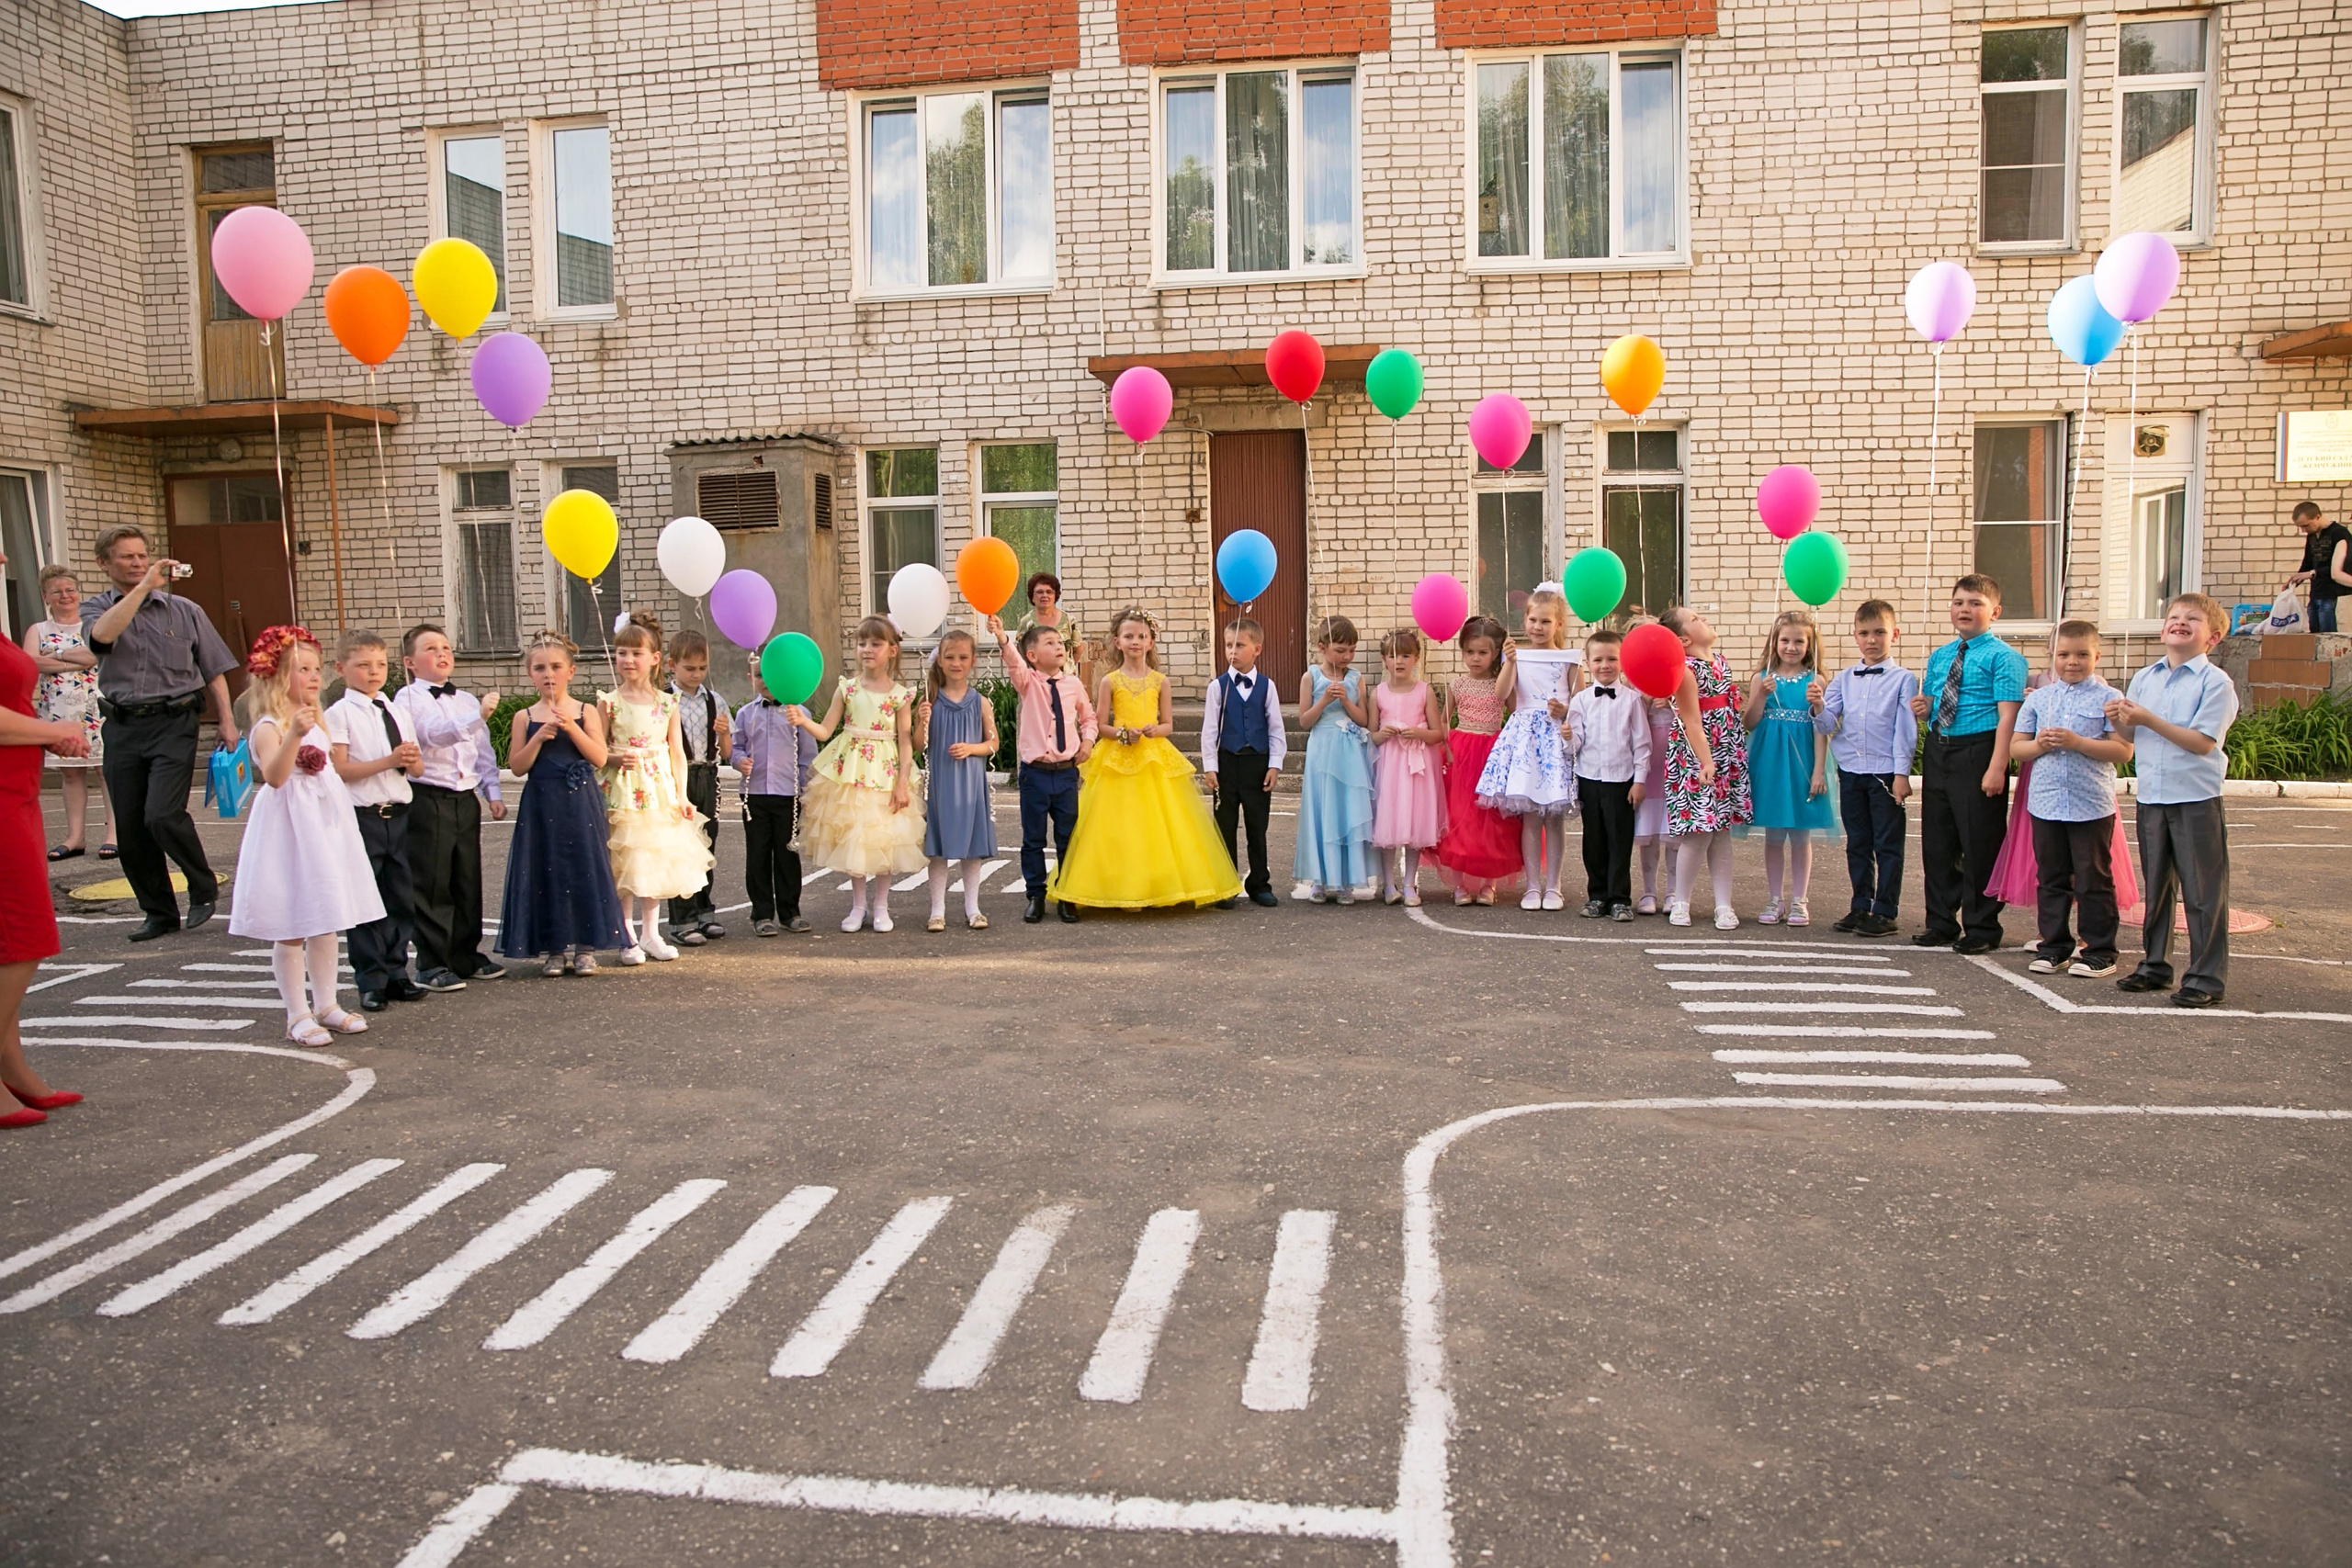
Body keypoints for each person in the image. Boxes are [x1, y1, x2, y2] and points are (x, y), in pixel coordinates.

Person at [78, 525, 241, 942]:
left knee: (162, 815)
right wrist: (141, 591)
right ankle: (159, 912)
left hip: (175, 723)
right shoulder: (97, 608)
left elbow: (214, 669)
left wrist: (227, 721)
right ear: (104, 563)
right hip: (123, 725)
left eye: (142, 555)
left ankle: (201, 882)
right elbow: (102, 637)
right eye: (126, 557)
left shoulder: (185, 609)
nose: (137, 563)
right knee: (131, 829)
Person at [225, 626, 385, 1046]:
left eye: (316, 669)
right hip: (290, 830)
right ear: (276, 676)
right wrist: (293, 734)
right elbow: (276, 778)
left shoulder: (320, 721)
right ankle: (298, 1012)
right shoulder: (268, 726)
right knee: (293, 922)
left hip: (324, 826)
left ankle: (328, 1003)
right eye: (302, 670)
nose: (314, 678)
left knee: (326, 919)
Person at [1049, 606, 1241, 910]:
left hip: (1152, 756)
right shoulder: (1109, 680)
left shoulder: (1160, 681)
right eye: (1129, 636)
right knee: (1119, 824)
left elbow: (1168, 724)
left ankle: (1158, 883)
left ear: (1151, 642)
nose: (1135, 641)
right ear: (1117, 641)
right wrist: (1123, 734)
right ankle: (1119, 886)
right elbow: (1099, 725)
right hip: (1118, 758)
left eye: (1141, 636)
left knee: (1159, 825)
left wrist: (1155, 730)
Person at [2108, 592, 2240, 1008]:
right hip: (2153, 796)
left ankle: (2205, 975)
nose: (2180, 622)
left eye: (2193, 619)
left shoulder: (2215, 683)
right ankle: (2155, 964)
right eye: (2174, 617)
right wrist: (2120, 721)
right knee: (2158, 887)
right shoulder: (2146, 677)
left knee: (2203, 892)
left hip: (2195, 797)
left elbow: (2201, 742)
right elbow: (2131, 738)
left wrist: (2147, 719)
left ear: (2212, 637)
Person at [0, 541, 91, 1128]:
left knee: (17, 936)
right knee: (24, 932)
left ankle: (10, 1061)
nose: (4, 562)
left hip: (19, 793)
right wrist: (46, 728)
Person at [2005, 621, 2132, 979]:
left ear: (2097, 656)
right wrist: (2039, 745)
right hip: (2045, 803)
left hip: (2090, 804)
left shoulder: (2110, 699)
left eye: (2081, 655)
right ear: (2052, 657)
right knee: (2051, 876)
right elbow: (2018, 747)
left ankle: (2100, 950)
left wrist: (2079, 743)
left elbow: (2122, 750)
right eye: (2063, 655)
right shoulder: (2040, 699)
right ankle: (2054, 946)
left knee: (2094, 878)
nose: (2071, 662)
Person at [1909, 574, 2028, 953]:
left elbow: (2008, 716)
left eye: (1975, 603)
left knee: (1979, 841)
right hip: (1941, 748)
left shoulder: (2004, 657)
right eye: (1959, 602)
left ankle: (1981, 925)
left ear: (1994, 612)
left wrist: (1998, 765)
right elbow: (1934, 705)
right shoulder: (1941, 655)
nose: (1965, 610)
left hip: (1979, 749)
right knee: (1938, 840)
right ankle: (1940, 921)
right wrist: (1924, 708)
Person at [499, 629, 627, 976]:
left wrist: (573, 728)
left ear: (570, 671)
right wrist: (539, 737)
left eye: (556, 667)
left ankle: (586, 947)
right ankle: (554, 948)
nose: (548, 674)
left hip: (580, 802)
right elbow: (517, 766)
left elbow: (600, 757)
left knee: (584, 867)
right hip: (542, 804)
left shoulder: (585, 711)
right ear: (530, 675)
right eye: (540, 668)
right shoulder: (524, 717)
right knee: (547, 870)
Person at [794, 615, 926, 932]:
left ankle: (881, 906)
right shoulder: (848, 689)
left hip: (885, 771)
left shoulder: (900, 695)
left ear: (892, 650)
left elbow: (906, 742)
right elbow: (825, 730)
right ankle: (858, 906)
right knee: (855, 836)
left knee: (884, 837)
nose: (867, 649)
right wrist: (801, 720)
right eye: (862, 643)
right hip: (851, 771)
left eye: (876, 644)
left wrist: (902, 783)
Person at [393, 624, 506, 989]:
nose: (442, 653)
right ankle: (431, 962)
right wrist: (478, 717)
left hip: (464, 798)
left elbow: (482, 751)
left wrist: (493, 793)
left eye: (445, 646)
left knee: (466, 878)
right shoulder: (408, 699)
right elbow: (434, 734)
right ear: (410, 662)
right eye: (430, 648)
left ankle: (465, 954)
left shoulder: (466, 700)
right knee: (431, 881)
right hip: (429, 796)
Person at [600, 616, 715, 963]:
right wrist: (613, 759)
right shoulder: (609, 702)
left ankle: (651, 933)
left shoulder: (667, 703)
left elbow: (677, 753)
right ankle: (626, 935)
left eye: (636, 653)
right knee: (626, 861)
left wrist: (681, 795)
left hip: (658, 789)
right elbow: (596, 748)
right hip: (623, 790)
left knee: (652, 859)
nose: (628, 660)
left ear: (653, 659)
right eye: (622, 653)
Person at [323, 630, 426, 1010]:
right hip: (363, 816)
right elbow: (342, 769)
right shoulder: (339, 714)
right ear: (341, 669)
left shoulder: (396, 710)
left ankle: (398, 971)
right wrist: (390, 760)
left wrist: (411, 759)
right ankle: (371, 979)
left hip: (398, 813)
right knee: (365, 899)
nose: (374, 672)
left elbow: (416, 766)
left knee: (400, 897)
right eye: (363, 665)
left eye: (380, 665)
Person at [1812, 600, 1919, 937]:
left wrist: (1901, 774)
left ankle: (1885, 910)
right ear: (1855, 637)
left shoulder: (1903, 679)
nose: (1872, 640)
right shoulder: (1844, 679)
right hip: (1852, 769)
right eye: (1865, 633)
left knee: (1887, 843)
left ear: (1895, 635)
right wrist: (1817, 705)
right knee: (1857, 841)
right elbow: (1828, 723)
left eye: (1880, 633)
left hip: (1885, 770)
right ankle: (1861, 904)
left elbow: (1905, 729)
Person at [1477, 587, 1580, 911]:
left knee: (1553, 818)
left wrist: (1564, 711)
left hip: (1553, 740)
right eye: (1533, 619)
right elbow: (1500, 693)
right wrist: (1509, 660)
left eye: (1545, 621)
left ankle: (1555, 886)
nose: (1537, 627)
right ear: (1525, 620)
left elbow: (1582, 701)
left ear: (1559, 624)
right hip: (1525, 741)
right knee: (1531, 819)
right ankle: (1532, 886)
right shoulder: (1518, 656)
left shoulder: (1567, 660)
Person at [990, 614, 1096, 924]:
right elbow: (1013, 662)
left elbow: (1088, 718)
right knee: (1033, 839)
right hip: (1035, 774)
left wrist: (1087, 744)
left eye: (1061, 642)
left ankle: (1066, 894)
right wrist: (1001, 637)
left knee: (1067, 837)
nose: (1059, 646)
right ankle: (1035, 894)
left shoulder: (1073, 685)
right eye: (1050, 643)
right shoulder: (1028, 682)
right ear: (1033, 656)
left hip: (1065, 773)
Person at [1660, 606, 1753, 930]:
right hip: (1697, 756)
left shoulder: (1721, 663)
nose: (1704, 619)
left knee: (1722, 832)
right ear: (1684, 639)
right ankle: (1681, 900)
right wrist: (1706, 760)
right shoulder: (1685, 670)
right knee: (1699, 833)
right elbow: (1691, 721)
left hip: (1726, 752)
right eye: (1695, 619)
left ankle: (1723, 904)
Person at [1743, 609, 1834, 927]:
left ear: (1810, 645)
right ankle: (1774, 898)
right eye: (1785, 640)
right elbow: (1750, 723)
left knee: (1800, 834)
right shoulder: (1761, 678)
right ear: (1774, 642)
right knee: (1773, 834)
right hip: (1769, 760)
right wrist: (1760, 696)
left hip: (1802, 762)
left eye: (1799, 641)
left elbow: (1821, 729)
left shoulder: (1816, 680)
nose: (1791, 647)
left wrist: (1819, 771)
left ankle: (1799, 899)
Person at [1430, 615, 1520, 906]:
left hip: (1491, 752)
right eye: (1470, 652)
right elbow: (1443, 721)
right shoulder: (1457, 685)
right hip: (1462, 752)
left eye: (1482, 652)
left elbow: (1515, 715)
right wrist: (1445, 745)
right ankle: (1458, 885)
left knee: (1490, 820)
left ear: (1495, 653)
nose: (1475, 658)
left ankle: (1488, 885)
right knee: (1459, 817)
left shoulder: (1501, 684)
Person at [25, 565, 111, 862]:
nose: (65, 596)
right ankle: (76, 837)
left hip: (96, 710)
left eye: (70, 590)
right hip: (58, 714)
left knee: (106, 771)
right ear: (45, 596)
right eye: (57, 591)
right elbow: (31, 663)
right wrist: (75, 662)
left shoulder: (92, 624)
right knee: (71, 774)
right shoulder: (38, 630)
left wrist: (58, 656)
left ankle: (114, 834)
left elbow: (96, 654)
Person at [916, 628, 1001, 932]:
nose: (956, 663)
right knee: (937, 848)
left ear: (973, 661)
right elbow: (917, 744)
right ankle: (937, 910)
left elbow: (994, 743)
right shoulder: (931, 701)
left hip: (970, 787)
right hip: (940, 786)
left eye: (963, 657)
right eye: (949, 657)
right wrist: (920, 721)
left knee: (972, 847)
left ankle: (973, 908)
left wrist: (971, 749)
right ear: (940, 661)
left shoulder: (980, 702)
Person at [1200, 616, 1285, 909]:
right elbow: (1210, 730)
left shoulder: (1267, 686)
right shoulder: (1218, 687)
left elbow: (1275, 728)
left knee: (1256, 826)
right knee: (1224, 827)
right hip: (1227, 765)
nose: (1232, 652)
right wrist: (1210, 766)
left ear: (1257, 649)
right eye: (1227, 646)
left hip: (1257, 764)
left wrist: (1274, 764)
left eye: (1239, 645)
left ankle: (1260, 883)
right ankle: (1225, 884)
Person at [732, 650, 820, 937]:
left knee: (786, 855)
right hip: (754, 794)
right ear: (750, 678)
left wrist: (805, 792)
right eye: (759, 675)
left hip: (787, 795)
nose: (765, 680)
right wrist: (738, 761)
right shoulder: (746, 714)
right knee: (757, 854)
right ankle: (761, 914)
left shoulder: (799, 714)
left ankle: (790, 911)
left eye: (771, 675)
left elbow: (808, 756)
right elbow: (736, 747)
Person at [1566, 627, 1648, 921]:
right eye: (1598, 660)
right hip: (1589, 779)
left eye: (1612, 659)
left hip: (1621, 780)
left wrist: (1639, 780)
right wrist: (1566, 736)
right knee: (1594, 841)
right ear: (1587, 663)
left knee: (1620, 840)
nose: (1605, 665)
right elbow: (1574, 745)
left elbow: (1642, 743)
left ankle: (1620, 898)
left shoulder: (1632, 700)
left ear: (1622, 662)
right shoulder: (1581, 701)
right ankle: (1597, 895)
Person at [1293, 615, 1375, 904]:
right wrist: (1325, 700)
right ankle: (1319, 878)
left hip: (1349, 750)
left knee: (1345, 811)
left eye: (1351, 650)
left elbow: (1363, 719)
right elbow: (1305, 721)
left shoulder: (1356, 678)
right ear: (1322, 647)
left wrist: (1346, 702)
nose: (1347, 656)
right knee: (1321, 810)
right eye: (1340, 650)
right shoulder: (1311, 676)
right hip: (1322, 747)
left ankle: (1345, 881)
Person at [1369, 628, 1448, 907]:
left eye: (1405, 655)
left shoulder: (1424, 691)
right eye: (1392, 656)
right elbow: (1372, 736)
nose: (1398, 661)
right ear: (1383, 660)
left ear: (1416, 659)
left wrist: (1419, 733)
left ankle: (1410, 883)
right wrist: (1384, 734)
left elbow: (1438, 733)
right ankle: (1388, 884)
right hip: (1390, 765)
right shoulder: (1377, 693)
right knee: (1389, 823)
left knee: (1415, 824)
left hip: (1418, 766)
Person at [666, 629, 730, 946]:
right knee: (680, 848)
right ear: (672, 665)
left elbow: (727, 752)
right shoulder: (664, 701)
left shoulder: (713, 700)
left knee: (706, 847)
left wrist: (724, 733)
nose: (697, 674)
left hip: (708, 776)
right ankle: (682, 919)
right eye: (689, 668)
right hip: (678, 777)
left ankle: (705, 912)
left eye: (702, 668)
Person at [1628, 615, 1676, 915]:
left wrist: (1671, 701)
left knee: (1672, 833)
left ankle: (1674, 891)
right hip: (1646, 762)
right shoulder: (1629, 681)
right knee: (1648, 833)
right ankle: (1649, 891)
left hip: (1673, 760)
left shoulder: (1675, 674)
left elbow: (1691, 714)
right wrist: (1644, 702)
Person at [2285, 502, 2351, 634]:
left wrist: (2311, 573)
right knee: (2314, 635)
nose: (2304, 530)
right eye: (2300, 527)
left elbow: (2343, 567)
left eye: (2306, 525)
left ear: (2317, 517)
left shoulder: (2339, 533)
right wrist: (2296, 580)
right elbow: (2308, 562)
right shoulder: (2312, 535)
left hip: (2333, 594)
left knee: (2329, 637)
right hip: (2316, 592)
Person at [1017, 572, 1089, 688]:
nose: (1044, 595)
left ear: (1055, 596)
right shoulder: (1026, 622)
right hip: (1036, 683)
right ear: (1032, 596)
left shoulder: (1069, 621)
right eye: (1040, 592)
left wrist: (1066, 668)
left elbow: (1078, 649)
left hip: (1066, 682)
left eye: (1049, 592)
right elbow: (1020, 653)